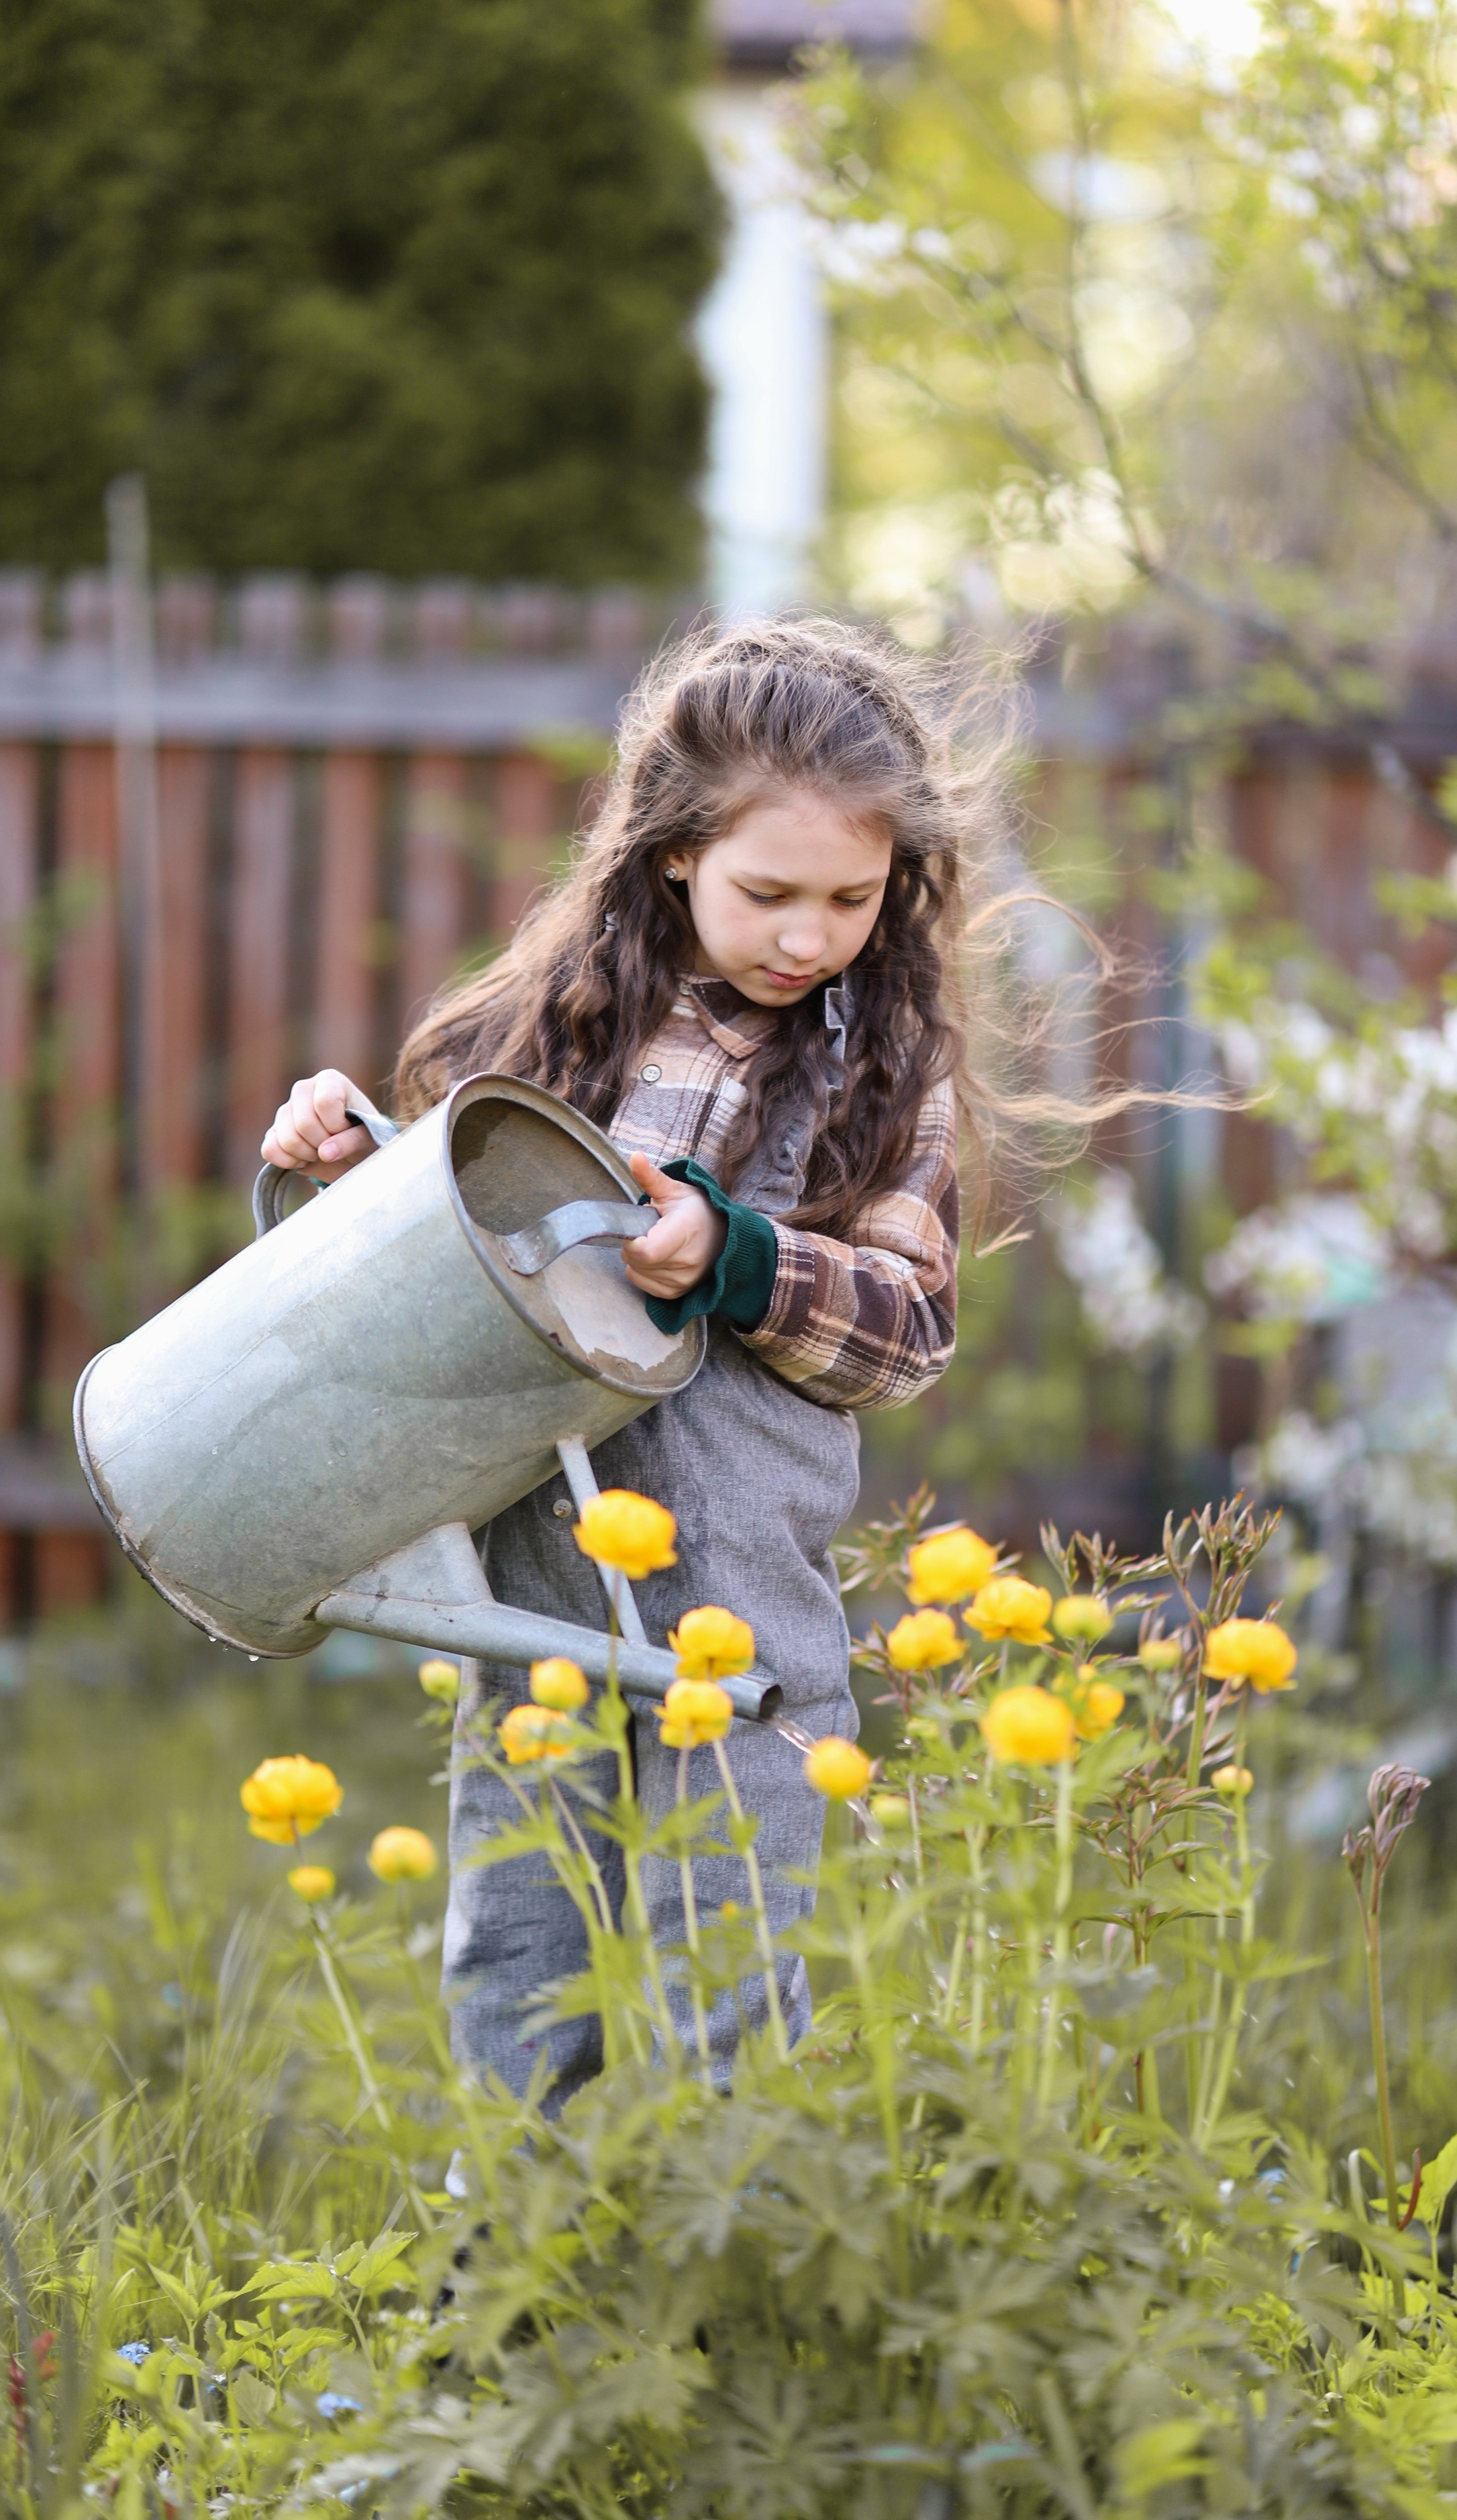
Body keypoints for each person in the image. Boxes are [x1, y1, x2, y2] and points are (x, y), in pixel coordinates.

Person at [261, 617, 1101, 2106]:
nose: (806, 936)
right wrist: (345, 1153)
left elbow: (906, 1330)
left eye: (852, 897)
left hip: (739, 1599)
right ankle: (505, 2273)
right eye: (766, 893)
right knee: (524, 1937)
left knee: (729, 1946)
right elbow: (427, 1247)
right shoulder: (550, 1028)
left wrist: (739, 1258)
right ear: (669, 856)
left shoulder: (877, 1071)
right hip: (543, 1567)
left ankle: (714, 2273)